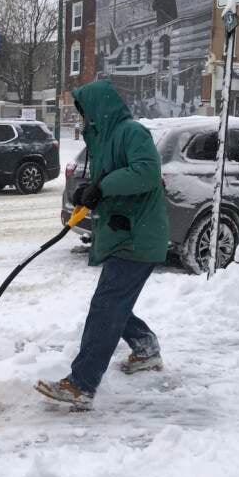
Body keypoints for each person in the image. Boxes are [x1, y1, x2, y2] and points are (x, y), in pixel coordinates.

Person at [35, 80, 169, 409]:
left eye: (83, 113)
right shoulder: (104, 138)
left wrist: (103, 186)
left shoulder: (131, 132)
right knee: (113, 302)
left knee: (106, 306)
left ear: (97, 110)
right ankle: (145, 347)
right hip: (124, 232)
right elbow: (109, 179)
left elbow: (146, 173)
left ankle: (82, 384)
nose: (82, 120)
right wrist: (89, 192)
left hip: (139, 235)